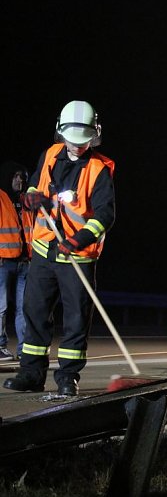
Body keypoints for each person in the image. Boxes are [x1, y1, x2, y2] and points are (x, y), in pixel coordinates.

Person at [3, 100, 115, 396]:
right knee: (35, 312)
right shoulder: (50, 154)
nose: (77, 147)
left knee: (76, 318)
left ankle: (68, 376)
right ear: (60, 132)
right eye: (72, 140)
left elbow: (105, 215)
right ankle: (31, 373)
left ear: (95, 135)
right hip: (43, 249)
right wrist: (31, 199)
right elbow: (33, 187)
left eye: (83, 142)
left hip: (76, 255)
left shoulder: (99, 170)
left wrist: (78, 240)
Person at [0, 162, 33, 361]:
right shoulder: (1, 197)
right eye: (15, 176)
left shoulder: (26, 200)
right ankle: (0, 345)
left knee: (25, 307)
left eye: (22, 177)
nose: (19, 180)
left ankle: (24, 348)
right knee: (1, 306)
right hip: (3, 261)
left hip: (25, 261)